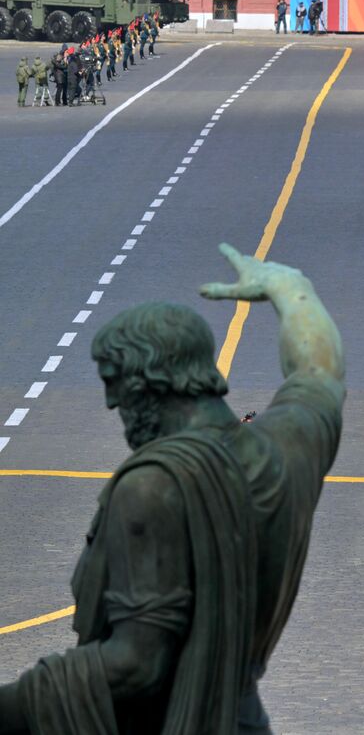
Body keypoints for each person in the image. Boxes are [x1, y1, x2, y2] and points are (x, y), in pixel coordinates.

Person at [0, 244, 345, 735]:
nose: (109, 402)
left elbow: (137, 665)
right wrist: (289, 286)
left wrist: (16, 704)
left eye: (114, 384)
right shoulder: (287, 448)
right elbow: (320, 368)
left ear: (150, 384)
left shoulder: (152, 487)